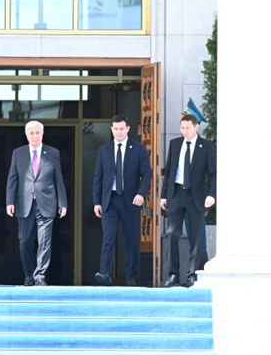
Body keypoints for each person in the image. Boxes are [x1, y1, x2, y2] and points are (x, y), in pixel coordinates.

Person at [6, 120, 67, 286]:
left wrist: (62, 203)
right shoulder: (18, 153)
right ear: (26, 135)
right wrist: (9, 202)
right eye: (31, 133)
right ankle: (28, 274)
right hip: (24, 203)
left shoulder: (53, 153)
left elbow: (58, 179)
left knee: (45, 240)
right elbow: (13, 178)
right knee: (25, 240)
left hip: (47, 202)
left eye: (37, 133)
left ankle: (40, 275)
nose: (35, 136)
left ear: (42, 134)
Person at [92, 115, 152, 286]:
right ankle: (105, 274)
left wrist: (141, 194)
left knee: (132, 239)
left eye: (121, 129)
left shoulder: (139, 149)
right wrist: (97, 202)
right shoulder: (104, 150)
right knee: (108, 237)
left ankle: (131, 276)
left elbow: (146, 174)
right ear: (111, 129)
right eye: (115, 129)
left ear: (128, 129)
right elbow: (98, 177)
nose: (118, 132)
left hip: (130, 200)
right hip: (109, 201)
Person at [160, 113, 217, 288]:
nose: (184, 131)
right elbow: (169, 171)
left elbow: (214, 173)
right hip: (176, 194)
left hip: (196, 196)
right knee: (171, 234)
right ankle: (172, 274)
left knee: (195, 236)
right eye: (182, 127)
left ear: (196, 127)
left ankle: (191, 275)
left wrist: (211, 195)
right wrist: (164, 195)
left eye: (188, 128)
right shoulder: (175, 144)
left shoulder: (206, 146)